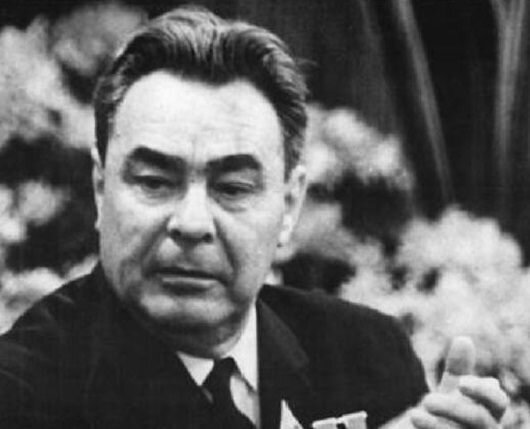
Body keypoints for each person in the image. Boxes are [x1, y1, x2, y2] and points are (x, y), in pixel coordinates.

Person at [0, 6, 508, 429]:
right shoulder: (24, 388)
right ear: (100, 188)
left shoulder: (367, 354)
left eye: (233, 188)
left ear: (289, 206)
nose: (192, 223)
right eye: (154, 182)